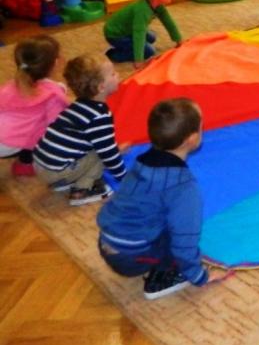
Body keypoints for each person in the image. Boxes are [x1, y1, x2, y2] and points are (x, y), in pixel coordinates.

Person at [96, 98, 230, 299]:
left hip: (106, 242)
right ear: (192, 139)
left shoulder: (142, 161)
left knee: (160, 213)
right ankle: (162, 278)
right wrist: (199, 276)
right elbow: (185, 239)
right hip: (132, 257)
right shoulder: (183, 186)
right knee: (179, 234)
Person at [33, 54, 128, 206]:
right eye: (113, 74)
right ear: (101, 87)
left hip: (40, 164)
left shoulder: (77, 106)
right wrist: (124, 177)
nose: (118, 74)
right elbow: (108, 154)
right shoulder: (99, 116)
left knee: (93, 147)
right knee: (99, 153)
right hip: (56, 171)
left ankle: (63, 181)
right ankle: (82, 191)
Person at [0, 35, 68, 177]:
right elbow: (57, 126)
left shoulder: (11, 85)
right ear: (55, 62)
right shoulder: (53, 95)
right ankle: (25, 164)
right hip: (7, 143)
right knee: (46, 129)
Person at [104, 0, 183, 68]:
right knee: (149, 51)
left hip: (128, 30)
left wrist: (179, 40)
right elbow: (139, 34)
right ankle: (114, 54)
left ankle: (127, 46)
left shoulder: (158, 5)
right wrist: (139, 60)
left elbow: (168, 22)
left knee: (152, 37)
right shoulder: (142, 10)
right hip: (115, 35)